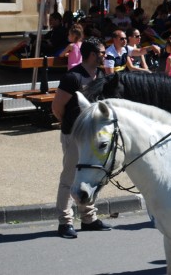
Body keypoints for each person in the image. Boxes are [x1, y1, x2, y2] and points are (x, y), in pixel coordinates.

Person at [51, 36, 112, 238]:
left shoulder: (101, 75)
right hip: (74, 136)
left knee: (90, 177)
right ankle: (65, 221)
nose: (105, 55)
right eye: (102, 52)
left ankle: (88, 218)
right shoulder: (73, 77)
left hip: (93, 137)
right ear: (92, 54)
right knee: (69, 177)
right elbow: (57, 108)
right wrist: (69, 126)